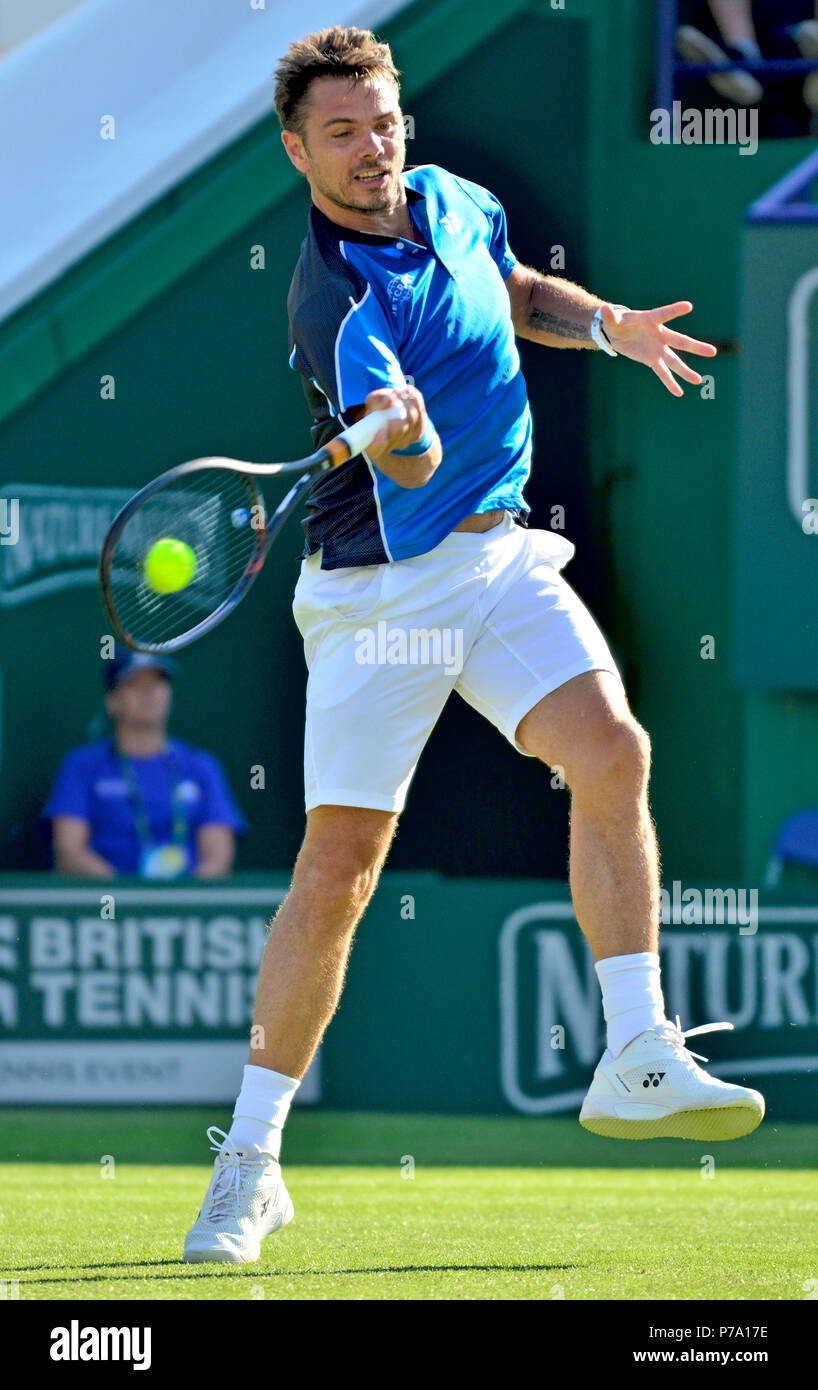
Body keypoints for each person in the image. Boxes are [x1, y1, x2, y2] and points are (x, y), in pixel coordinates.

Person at [182, 25, 764, 1265]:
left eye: (381, 121)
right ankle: (248, 1161)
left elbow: (511, 291)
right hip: (376, 602)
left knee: (611, 750)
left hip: (496, 561)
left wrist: (606, 324)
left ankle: (633, 1048)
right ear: (297, 151)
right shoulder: (331, 299)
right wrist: (399, 427)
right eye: (339, 132)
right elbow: (417, 461)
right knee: (337, 871)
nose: (370, 147)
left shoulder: (452, 203)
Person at [42, 646, 246, 879]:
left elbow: (218, 856)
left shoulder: (201, 766)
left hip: (186, 909)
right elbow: (69, 851)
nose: (148, 692)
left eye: (158, 683)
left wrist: (181, 903)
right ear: (112, 701)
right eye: (134, 684)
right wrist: (130, 901)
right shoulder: (82, 766)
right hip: (104, 907)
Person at [678, 1, 818, 112]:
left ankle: (814, 64)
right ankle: (741, 60)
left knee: (809, 33)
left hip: (798, 36)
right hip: (761, 43)